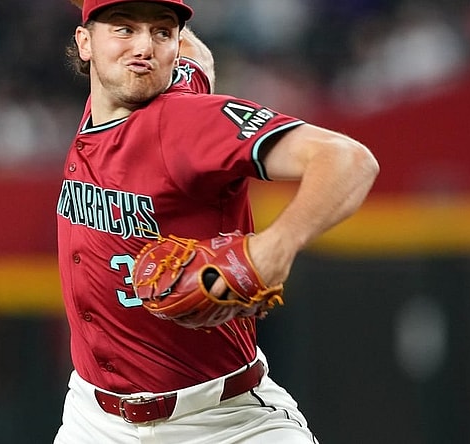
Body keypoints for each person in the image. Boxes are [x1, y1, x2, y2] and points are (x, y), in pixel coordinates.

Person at [54, 1, 379, 442]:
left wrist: (273, 248)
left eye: (162, 32)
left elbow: (349, 160)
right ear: (85, 42)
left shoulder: (185, 121)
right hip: (93, 421)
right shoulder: (118, 99)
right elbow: (198, 59)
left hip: (222, 423)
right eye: (124, 29)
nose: (145, 47)